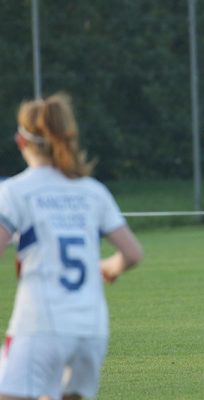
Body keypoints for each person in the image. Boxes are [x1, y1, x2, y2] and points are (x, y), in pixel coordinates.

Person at [0, 93, 143, 399]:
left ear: (21, 141)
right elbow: (132, 254)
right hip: (91, 330)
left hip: (38, 327)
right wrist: (109, 266)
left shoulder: (14, 191)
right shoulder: (93, 191)